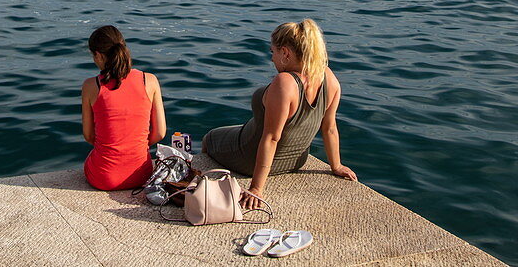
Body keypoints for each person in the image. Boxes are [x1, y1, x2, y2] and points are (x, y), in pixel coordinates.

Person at [202, 18, 357, 211]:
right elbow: (330, 128)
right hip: (296, 161)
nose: (272, 58)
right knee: (234, 129)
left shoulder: (285, 82)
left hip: (250, 158)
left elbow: (271, 138)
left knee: (210, 138)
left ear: (285, 53)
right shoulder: (328, 77)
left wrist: (256, 188)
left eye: (273, 52)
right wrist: (337, 166)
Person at [81, 25, 167, 190]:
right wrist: (135, 145)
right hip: (142, 174)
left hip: (104, 178)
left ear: (98, 55)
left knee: (93, 158)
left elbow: (89, 135)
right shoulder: (149, 80)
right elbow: (160, 133)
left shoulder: (91, 86)